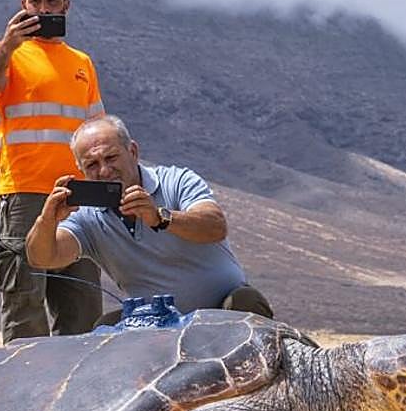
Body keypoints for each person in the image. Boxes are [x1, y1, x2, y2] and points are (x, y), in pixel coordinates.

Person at [0, 0, 106, 343]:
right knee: (24, 302)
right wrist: (7, 45)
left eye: (51, 0)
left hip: (78, 197)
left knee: (82, 306)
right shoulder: (3, 54)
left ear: (66, 4)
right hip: (24, 193)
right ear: (23, 4)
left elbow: (98, 132)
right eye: (35, 0)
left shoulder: (82, 63)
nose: (43, 9)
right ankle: (21, 393)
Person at [25, 115, 274, 320]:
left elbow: (214, 226)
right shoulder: (86, 216)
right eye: (91, 164)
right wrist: (47, 220)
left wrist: (160, 218)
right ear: (80, 169)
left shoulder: (176, 181)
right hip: (153, 323)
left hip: (221, 311)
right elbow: (43, 258)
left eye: (111, 158)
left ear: (132, 151)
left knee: (245, 302)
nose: (103, 170)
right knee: (105, 327)